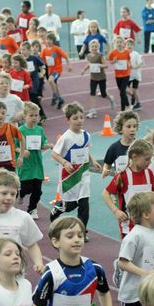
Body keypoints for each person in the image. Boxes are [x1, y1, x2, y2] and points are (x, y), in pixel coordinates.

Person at [32, 216, 116, 306]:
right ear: (56, 241)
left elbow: (104, 291)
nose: (77, 239)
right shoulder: (51, 274)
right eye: (70, 236)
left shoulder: (95, 268)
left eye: (80, 235)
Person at [50, 102, 102, 241]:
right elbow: (54, 154)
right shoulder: (66, 137)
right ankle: (56, 210)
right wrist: (65, 162)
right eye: (75, 118)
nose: (79, 120)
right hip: (69, 177)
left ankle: (82, 231)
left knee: (84, 205)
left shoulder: (87, 135)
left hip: (83, 175)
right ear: (68, 120)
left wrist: (93, 161)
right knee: (70, 206)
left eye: (81, 117)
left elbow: (86, 150)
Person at [102, 139, 154, 239]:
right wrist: (116, 211)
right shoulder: (123, 176)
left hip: (148, 224)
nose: (149, 162)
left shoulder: (149, 173)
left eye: (150, 159)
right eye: (147, 159)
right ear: (134, 157)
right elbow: (105, 194)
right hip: (129, 227)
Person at [18, 102, 50, 220]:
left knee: (38, 190)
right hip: (26, 165)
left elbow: (43, 144)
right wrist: (22, 151)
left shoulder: (39, 130)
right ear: (25, 116)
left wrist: (48, 145)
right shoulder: (21, 130)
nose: (34, 118)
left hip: (37, 164)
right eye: (31, 115)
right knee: (27, 188)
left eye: (36, 115)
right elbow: (14, 146)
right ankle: (20, 193)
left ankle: (32, 209)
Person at [80, 40, 114, 119]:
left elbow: (106, 66)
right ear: (89, 48)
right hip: (93, 78)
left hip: (101, 78)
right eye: (92, 47)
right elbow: (89, 64)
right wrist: (84, 70)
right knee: (92, 93)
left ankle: (111, 99)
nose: (94, 48)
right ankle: (92, 110)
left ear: (98, 47)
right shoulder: (88, 56)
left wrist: (100, 66)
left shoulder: (100, 55)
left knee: (103, 94)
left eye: (95, 46)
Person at [102, 110, 139, 178]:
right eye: (128, 126)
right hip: (120, 183)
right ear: (120, 129)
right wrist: (105, 170)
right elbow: (107, 164)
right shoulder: (114, 148)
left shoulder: (139, 146)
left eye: (134, 126)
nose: (132, 129)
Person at [40, 32, 71, 109]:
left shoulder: (56, 49)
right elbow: (41, 60)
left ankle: (55, 96)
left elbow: (65, 56)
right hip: (50, 70)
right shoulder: (44, 51)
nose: (48, 41)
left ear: (53, 41)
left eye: (50, 39)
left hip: (57, 70)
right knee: (55, 84)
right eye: (47, 39)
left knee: (51, 81)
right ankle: (59, 99)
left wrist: (69, 65)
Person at [20, 41, 46, 121]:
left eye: (24, 49)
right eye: (21, 49)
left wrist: (42, 72)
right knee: (27, 100)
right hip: (25, 82)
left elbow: (43, 65)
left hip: (34, 82)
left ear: (29, 50)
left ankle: (42, 115)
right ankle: (30, 117)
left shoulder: (33, 58)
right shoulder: (21, 59)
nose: (22, 51)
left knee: (33, 99)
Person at [108, 36, 131, 111]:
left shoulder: (127, 52)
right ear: (115, 43)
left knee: (122, 92)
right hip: (118, 75)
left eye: (120, 42)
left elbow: (128, 59)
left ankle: (123, 109)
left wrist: (130, 64)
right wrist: (113, 61)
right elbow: (110, 62)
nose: (119, 44)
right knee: (122, 92)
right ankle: (127, 105)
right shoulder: (113, 53)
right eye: (117, 42)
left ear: (123, 43)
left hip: (126, 74)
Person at [126, 38, 143, 110]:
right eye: (128, 44)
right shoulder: (124, 53)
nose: (129, 46)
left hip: (135, 75)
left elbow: (140, 63)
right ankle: (133, 97)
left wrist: (134, 67)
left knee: (134, 89)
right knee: (126, 89)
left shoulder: (136, 54)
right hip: (127, 75)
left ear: (133, 46)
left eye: (131, 45)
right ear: (125, 46)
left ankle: (138, 103)